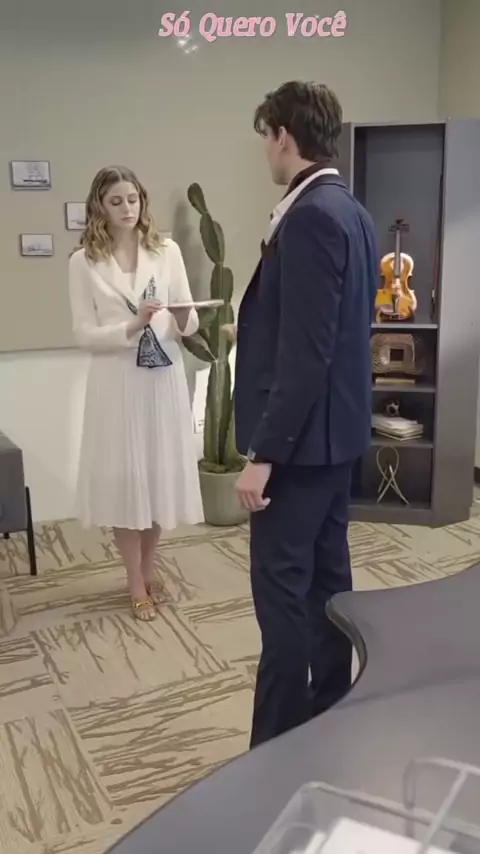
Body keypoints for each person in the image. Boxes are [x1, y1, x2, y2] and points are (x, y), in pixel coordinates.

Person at [234, 81, 379, 747]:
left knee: (282, 597)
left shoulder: (312, 215)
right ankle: (328, 721)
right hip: (334, 439)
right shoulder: (349, 208)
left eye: (267, 137)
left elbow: (308, 353)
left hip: (299, 449)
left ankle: (277, 746)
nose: (266, 150)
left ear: (284, 136)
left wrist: (263, 456)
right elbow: (331, 329)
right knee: (327, 587)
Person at [69, 165, 204, 622]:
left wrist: (183, 315)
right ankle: (134, 581)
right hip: (117, 383)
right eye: (116, 202)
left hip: (162, 378)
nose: (128, 209)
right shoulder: (83, 261)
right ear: (99, 207)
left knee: (158, 477)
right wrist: (133, 324)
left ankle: (148, 568)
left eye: (133, 199)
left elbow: (189, 323)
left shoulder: (166, 251)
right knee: (127, 484)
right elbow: (84, 334)